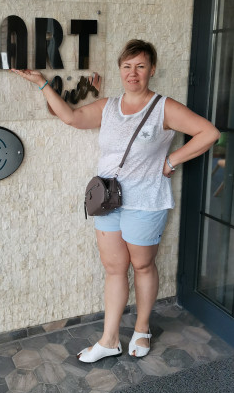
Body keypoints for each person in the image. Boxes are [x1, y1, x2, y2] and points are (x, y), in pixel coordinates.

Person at [11, 39, 220, 362]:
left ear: (152, 70)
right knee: (114, 268)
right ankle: (109, 340)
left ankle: (142, 328)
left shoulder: (164, 107)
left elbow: (209, 133)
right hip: (108, 201)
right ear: (120, 70)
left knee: (143, 265)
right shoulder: (108, 106)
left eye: (140, 66)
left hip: (146, 201)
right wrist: (42, 84)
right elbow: (71, 117)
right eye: (127, 66)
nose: (133, 73)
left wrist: (172, 160)